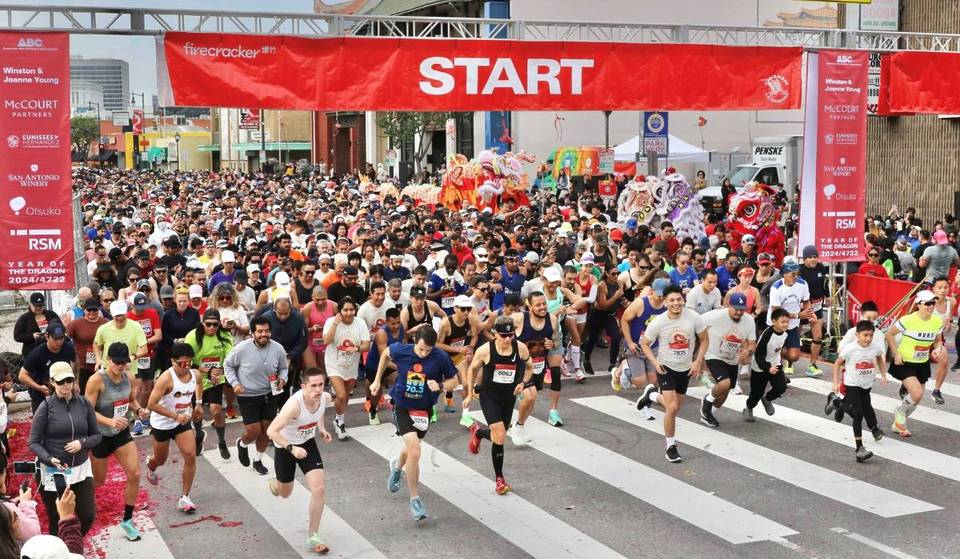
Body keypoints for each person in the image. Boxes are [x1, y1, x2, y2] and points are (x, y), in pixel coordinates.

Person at [369, 327, 458, 522]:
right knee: (415, 450)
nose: (424, 353)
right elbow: (385, 353)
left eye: (428, 350)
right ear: (414, 341)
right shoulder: (402, 350)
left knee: (411, 448)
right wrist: (377, 381)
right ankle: (415, 499)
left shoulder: (440, 357)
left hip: (424, 409)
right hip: (402, 405)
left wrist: (441, 386)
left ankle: (397, 468)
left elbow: (455, 380)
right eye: (421, 349)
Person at [634, 285, 708, 463]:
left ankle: (651, 395)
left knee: (673, 408)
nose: (676, 303)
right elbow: (645, 343)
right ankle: (671, 447)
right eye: (672, 300)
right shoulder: (658, 321)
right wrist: (655, 362)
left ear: (683, 300)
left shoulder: (693, 317)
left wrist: (697, 361)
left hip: (686, 369)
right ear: (665, 302)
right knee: (672, 408)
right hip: (666, 368)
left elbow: (704, 339)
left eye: (678, 299)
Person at [265, 367, 333, 555]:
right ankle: (276, 483)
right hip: (286, 447)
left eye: (321, 384)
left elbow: (319, 411)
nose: (318, 390)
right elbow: (271, 431)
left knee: (319, 489)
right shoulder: (294, 405)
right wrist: (291, 448)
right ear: (303, 386)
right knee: (284, 493)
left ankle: (314, 536)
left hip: (307, 444)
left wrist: (322, 429)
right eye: (313, 386)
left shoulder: (324, 397)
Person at [27, 362, 100, 536]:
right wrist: (50, 459)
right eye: (61, 382)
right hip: (54, 471)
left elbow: (97, 436)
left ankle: (70, 544)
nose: (66, 385)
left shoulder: (84, 404)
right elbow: (33, 442)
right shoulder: (45, 407)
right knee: (56, 519)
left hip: (81, 469)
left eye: (69, 380)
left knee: (87, 516)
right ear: (52, 382)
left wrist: (82, 443)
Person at [84, 343, 147, 541]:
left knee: (135, 473)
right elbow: (87, 412)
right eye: (117, 362)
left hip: (120, 433)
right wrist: (109, 420)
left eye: (124, 362)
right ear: (108, 360)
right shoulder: (96, 381)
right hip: (101, 436)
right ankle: (77, 501)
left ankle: (127, 520)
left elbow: (129, 400)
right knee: (98, 481)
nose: (121, 366)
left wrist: (138, 410)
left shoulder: (129, 377)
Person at [465, 317, 534, 494]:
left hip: (509, 396)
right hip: (489, 395)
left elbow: (529, 367)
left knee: (499, 435)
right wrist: (470, 391)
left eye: (510, 334)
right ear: (495, 334)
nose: (507, 339)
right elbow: (472, 369)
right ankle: (499, 479)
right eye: (503, 335)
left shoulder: (520, 348)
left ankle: (478, 432)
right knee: (501, 435)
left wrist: (523, 383)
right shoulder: (485, 350)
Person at [145, 343, 204, 513]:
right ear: (173, 362)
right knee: (160, 459)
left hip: (182, 422)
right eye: (182, 364)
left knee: (191, 455)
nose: (186, 367)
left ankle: (185, 497)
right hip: (162, 424)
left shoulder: (195, 374)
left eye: (189, 363)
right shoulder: (165, 379)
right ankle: (151, 464)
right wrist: (175, 415)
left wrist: (198, 404)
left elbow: (199, 384)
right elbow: (151, 404)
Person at [225, 316, 288, 474]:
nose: (263, 334)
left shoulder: (278, 348)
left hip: (270, 393)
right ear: (252, 333)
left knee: (267, 431)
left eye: (266, 331)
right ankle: (243, 443)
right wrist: (235, 383)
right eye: (259, 331)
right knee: (254, 431)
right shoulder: (242, 348)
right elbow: (227, 364)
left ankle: (258, 459)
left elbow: (283, 368)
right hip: (248, 396)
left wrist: (283, 378)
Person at [884, 290, 943, 438]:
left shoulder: (937, 321)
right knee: (917, 393)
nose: (931, 306)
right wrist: (896, 353)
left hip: (922, 363)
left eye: (933, 303)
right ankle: (900, 413)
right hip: (905, 362)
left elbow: (937, 340)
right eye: (928, 303)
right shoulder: (907, 320)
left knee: (917, 398)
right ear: (918, 305)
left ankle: (899, 423)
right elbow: (889, 334)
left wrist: (938, 349)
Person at [832, 320, 887, 463]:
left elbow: (880, 358)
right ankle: (859, 449)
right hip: (852, 384)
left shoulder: (874, 347)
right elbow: (837, 363)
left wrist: (883, 374)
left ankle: (837, 403)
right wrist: (836, 382)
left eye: (871, 335)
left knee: (866, 406)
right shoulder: (850, 349)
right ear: (857, 335)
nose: (868, 338)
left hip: (866, 384)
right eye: (865, 335)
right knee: (858, 413)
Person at [698, 294, 756, 428]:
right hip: (714, 355)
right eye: (736, 308)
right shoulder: (715, 316)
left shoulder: (749, 321)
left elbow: (752, 343)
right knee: (724, 383)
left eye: (742, 309)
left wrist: (748, 351)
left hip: (732, 359)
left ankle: (707, 414)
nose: (739, 312)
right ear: (729, 305)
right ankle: (707, 400)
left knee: (724, 393)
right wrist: (699, 345)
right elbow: (696, 324)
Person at [511, 291, 563, 440]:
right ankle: (517, 425)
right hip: (521, 365)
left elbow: (557, 341)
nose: (542, 307)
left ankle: (520, 425)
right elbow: (499, 328)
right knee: (529, 396)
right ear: (530, 306)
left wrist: (552, 344)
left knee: (532, 399)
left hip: (539, 364)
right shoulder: (519, 319)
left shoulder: (552, 319)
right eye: (538, 305)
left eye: (544, 303)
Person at [185, 309, 234, 459]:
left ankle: (221, 441)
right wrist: (208, 369)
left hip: (215, 379)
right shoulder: (193, 336)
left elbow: (230, 359)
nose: (212, 328)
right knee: (196, 412)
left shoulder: (225, 336)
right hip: (196, 376)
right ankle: (199, 434)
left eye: (215, 324)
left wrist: (219, 372)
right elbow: (187, 361)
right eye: (208, 324)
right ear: (202, 323)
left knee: (216, 410)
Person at [322, 297, 370, 440]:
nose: (348, 313)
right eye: (345, 310)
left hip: (351, 365)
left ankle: (339, 419)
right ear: (339, 311)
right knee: (341, 395)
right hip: (333, 363)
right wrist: (336, 323)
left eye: (351, 310)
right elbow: (326, 341)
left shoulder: (360, 323)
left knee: (346, 396)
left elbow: (366, 345)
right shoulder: (331, 322)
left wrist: (356, 348)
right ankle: (339, 421)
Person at [616, 278, 669, 398]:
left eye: (664, 295)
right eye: (659, 295)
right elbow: (624, 320)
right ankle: (625, 367)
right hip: (636, 345)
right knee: (639, 382)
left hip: (653, 346)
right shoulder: (640, 303)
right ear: (652, 292)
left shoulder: (667, 305)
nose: (661, 298)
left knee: (653, 381)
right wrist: (629, 342)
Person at [767, 261, 817, 376]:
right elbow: (776, 311)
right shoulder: (776, 287)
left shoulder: (803, 284)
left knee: (794, 356)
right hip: (776, 323)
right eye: (793, 274)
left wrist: (810, 313)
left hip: (792, 325)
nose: (796, 277)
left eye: (797, 274)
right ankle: (777, 375)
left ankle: (781, 352)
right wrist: (798, 315)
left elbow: (806, 301)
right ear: (784, 274)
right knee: (775, 355)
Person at [436, 295, 480, 425]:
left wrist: (470, 348)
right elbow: (438, 344)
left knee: (466, 384)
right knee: (442, 384)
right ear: (455, 308)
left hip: (458, 355)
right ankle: (433, 406)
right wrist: (460, 350)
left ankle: (465, 415)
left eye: (468, 309)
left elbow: (474, 336)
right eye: (463, 309)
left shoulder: (470, 319)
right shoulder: (445, 323)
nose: (466, 312)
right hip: (443, 356)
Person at [742, 308, 791, 423]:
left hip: (775, 364)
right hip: (760, 366)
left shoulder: (785, 334)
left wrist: (779, 363)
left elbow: (778, 350)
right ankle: (749, 408)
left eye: (787, 322)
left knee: (781, 387)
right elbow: (759, 354)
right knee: (756, 393)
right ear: (774, 321)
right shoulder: (767, 335)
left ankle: (767, 399)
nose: (785, 324)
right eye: (782, 322)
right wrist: (768, 367)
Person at [18, 323, 76, 414]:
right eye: (55, 338)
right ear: (47, 336)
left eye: (61, 338)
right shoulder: (37, 353)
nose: (59, 342)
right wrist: (39, 388)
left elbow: (76, 364)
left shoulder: (68, 347)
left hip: (62, 389)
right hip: (42, 392)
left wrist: (75, 382)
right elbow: (22, 376)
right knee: (42, 420)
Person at [65, 298, 108, 394]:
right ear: (84, 310)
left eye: (95, 310)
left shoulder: (105, 323)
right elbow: (64, 338)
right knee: (83, 393)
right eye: (89, 310)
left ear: (99, 310)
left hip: (101, 365)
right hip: (82, 366)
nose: (92, 312)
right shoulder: (75, 324)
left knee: (101, 393)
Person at [13, 292, 60, 357]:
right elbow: (17, 336)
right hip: (32, 352)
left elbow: (60, 328)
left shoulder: (51, 314)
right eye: (36, 306)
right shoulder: (24, 318)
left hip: (52, 349)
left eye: (40, 305)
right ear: (30, 304)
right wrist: (32, 336)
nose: (38, 308)